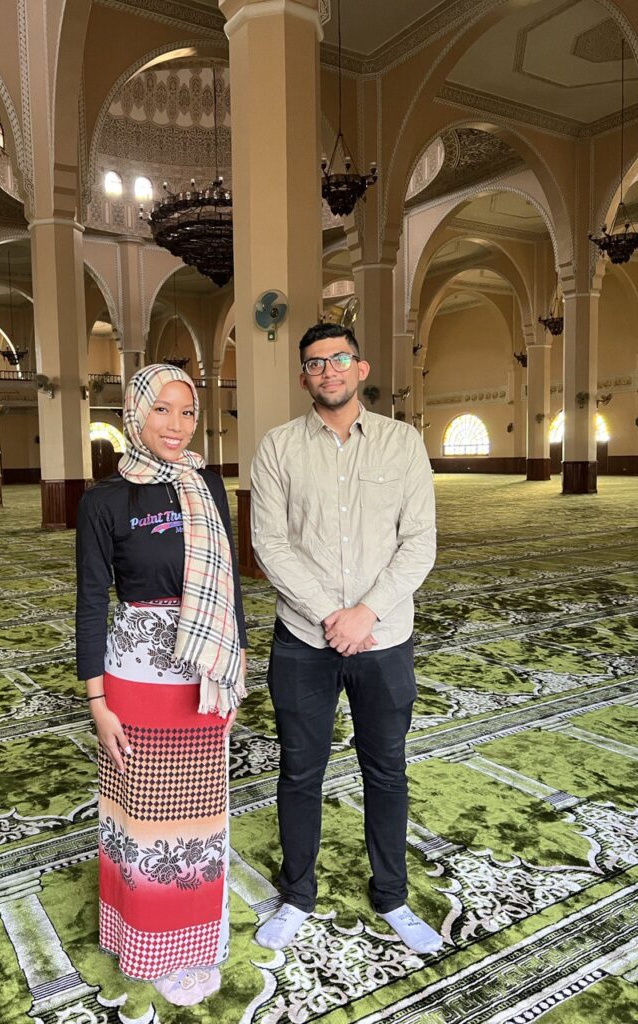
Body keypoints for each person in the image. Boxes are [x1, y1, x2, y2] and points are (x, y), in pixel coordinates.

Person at [249, 322, 443, 956]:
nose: (327, 370)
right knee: (300, 770)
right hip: (303, 639)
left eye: (339, 359)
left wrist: (367, 613)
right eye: (315, 363)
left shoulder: (402, 443)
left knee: (385, 769)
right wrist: (332, 614)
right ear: (303, 376)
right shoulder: (278, 447)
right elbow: (269, 544)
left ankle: (392, 896)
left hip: (384, 639)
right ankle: (296, 895)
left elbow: (419, 543)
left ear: (360, 369)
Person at [76, 363, 247, 1007]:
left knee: (200, 817)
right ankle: (146, 940)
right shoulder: (105, 500)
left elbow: (228, 580)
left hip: (204, 674)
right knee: (145, 819)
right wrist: (98, 703)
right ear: (135, 414)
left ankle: (196, 937)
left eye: (188, 411)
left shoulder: (208, 485)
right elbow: (91, 603)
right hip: (137, 680)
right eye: (163, 410)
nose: (178, 425)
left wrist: (235, 671)